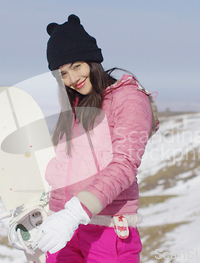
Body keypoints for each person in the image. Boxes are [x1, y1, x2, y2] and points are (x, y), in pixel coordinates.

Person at [24, 14, 158, 262]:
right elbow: (63, 169)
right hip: (64, 228)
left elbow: (124, 165)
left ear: (93, 60)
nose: (72, 79)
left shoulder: (128, 99)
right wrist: (35, 214)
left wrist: (75, 212)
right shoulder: (75, 107)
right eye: (63, 74)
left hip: (106, 231)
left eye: (76, 66)